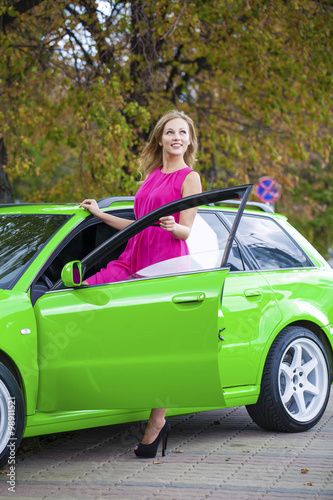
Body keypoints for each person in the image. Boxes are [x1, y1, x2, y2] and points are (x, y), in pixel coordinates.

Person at [80, 110, 202, 458]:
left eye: (182, 132)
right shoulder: (149, 177)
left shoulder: (189, 177)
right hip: (134, 256)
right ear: (160, 139)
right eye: (169, 132)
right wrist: (101, 215)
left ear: (189, 141)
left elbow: (186, 231)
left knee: (159, 346)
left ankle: (157, 422)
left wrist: (171, 225)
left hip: (166, 261)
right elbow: (137, 225)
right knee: (88, 291)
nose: (176, 137)